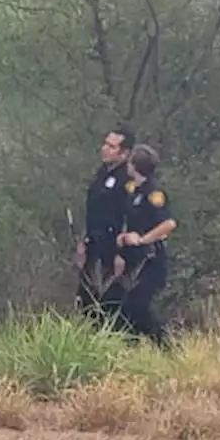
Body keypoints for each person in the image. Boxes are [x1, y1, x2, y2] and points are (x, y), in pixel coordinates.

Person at [115, 144, 177, 347]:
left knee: (137, 305)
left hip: (151, 260)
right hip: (133, 260)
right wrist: (124, 237)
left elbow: (168, 224)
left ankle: (168, 346)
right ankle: (129, 350)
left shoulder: (154, 193)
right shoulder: (133, 189)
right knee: (126, 308)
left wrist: (142, 239)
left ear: (134, 165)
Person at [76, 124, 135, 322]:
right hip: (94, 244)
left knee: (112, 304)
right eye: (105, 144)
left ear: (124, 153)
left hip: (113, 249)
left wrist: (122, 254)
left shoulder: (128, 179)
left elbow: (130, 217)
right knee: (86, 300)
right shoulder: (102, 173)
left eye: (112, 146)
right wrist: (83, 242)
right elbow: (93, 210)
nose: (105, 149)